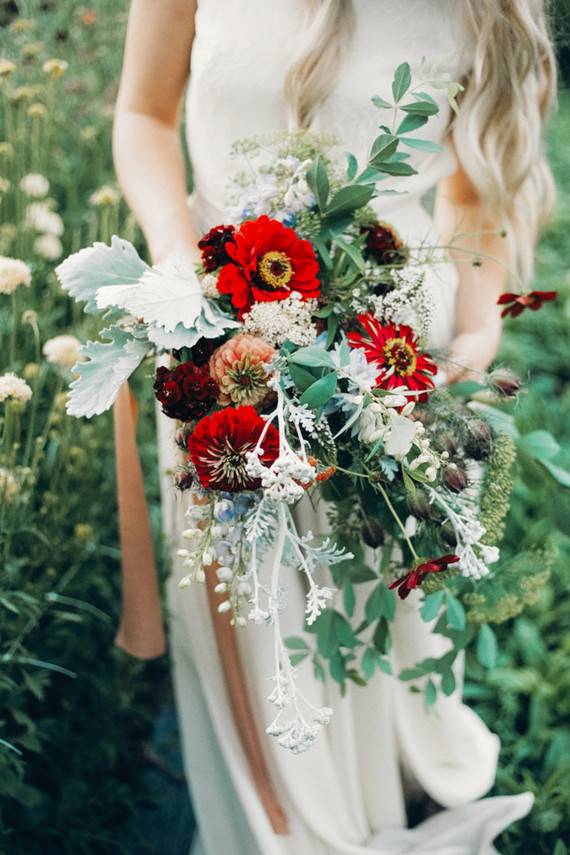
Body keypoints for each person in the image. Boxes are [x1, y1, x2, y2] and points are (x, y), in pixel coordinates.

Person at [112, 2, 556, 853]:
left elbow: (473, 192)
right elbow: (143, 111)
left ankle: (381, 803)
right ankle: (281, 831)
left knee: (375, 609)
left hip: (386, 356)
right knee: (250, 620)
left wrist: (475, 329)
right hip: (223, 346)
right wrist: (176, 260)